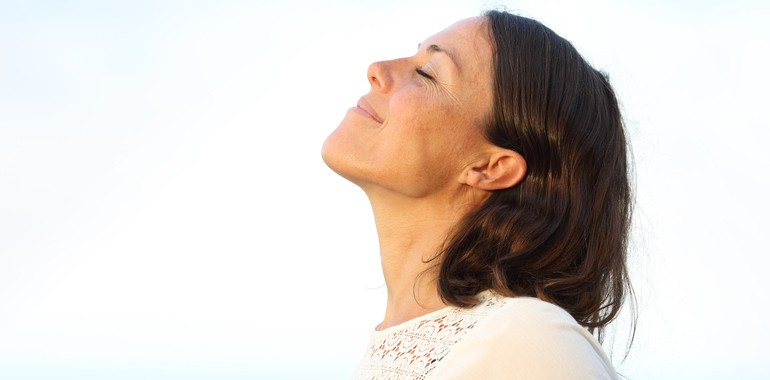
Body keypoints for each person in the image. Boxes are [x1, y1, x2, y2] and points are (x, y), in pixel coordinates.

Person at [322, 9, 633, 380]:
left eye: (427, 73)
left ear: (491, 167)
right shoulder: (461, 344)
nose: (378, 69)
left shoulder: (525, 339)